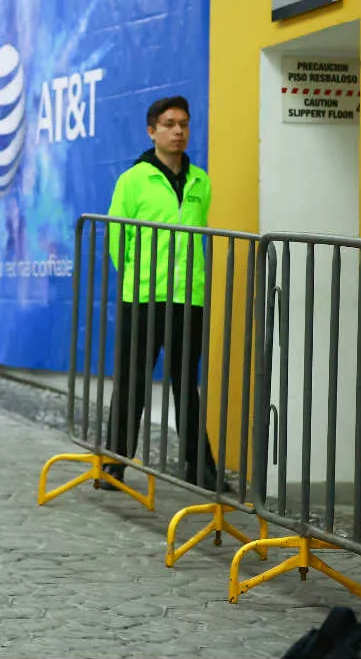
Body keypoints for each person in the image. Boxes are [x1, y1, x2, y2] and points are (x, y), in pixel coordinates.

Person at [102, 96, 229, 493]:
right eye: (170, 124)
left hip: (188, 299)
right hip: (142, 297)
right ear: (152, 131)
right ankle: (114, 464)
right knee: (133, 382)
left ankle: (200, 468)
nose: (179, 131)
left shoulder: (200, 181)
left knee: (185, 383)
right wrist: (136, 280)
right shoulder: (134, 180)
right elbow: (116, 238)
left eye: (184, 124)